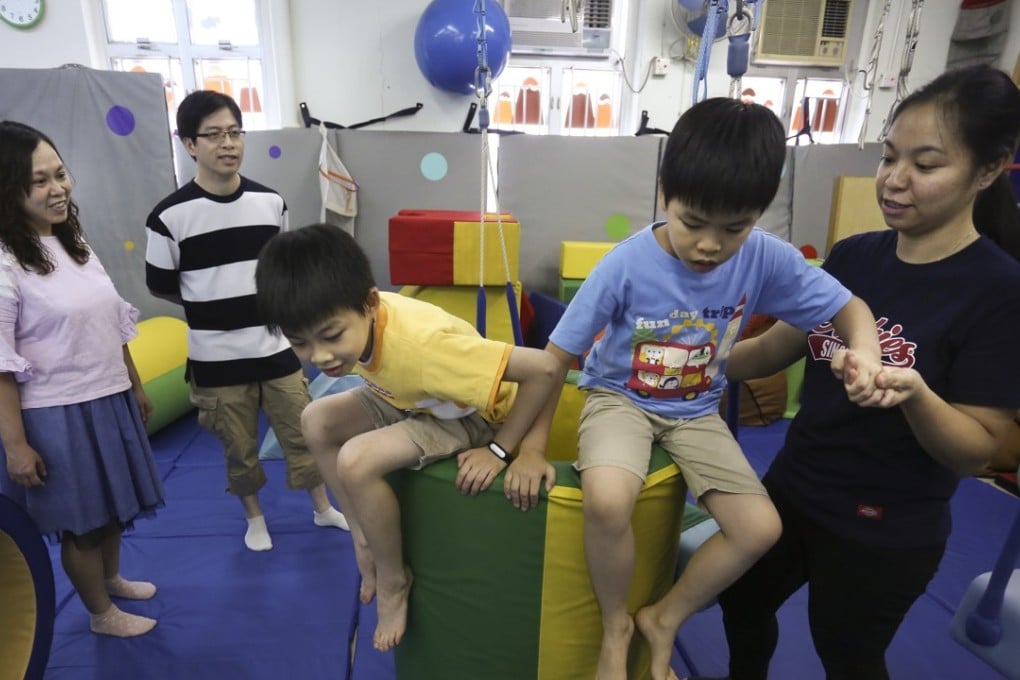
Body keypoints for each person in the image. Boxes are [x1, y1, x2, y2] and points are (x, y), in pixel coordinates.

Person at [529, 97, 885, 680]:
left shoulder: (764, 257)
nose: (710, 246)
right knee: (610, 499)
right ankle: (616, 625)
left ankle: (664, 618)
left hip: (695, 410)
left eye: (734, 228)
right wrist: (533, 446)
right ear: (665, 192)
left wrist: (865, 356)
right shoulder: (626, 265)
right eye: (693, 222)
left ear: (758, 214)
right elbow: (556, 356)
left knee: (760, 529)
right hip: (621, 397)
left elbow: (850, 307)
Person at [716, 64, 1020, 680]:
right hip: (794, 490)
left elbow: (978, 449)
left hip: (883, 526)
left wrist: (913, 394)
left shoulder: (999, 291)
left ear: (987, 172)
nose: (894, 180)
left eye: (925, 165)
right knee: (740, 600)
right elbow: (777, 348)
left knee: (846, 653)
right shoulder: (855, 255)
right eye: (888, 157)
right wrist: (700, 355)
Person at [254, 223, 561, 652]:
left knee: (356, 461)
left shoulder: (422, 348)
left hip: (471, 415)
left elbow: (547, 369)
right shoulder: (357, 322)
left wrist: (504, 448)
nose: (319, 357)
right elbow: (359, 369)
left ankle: (395, 581)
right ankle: (363, 539)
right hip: (411, 398)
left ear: (370, 304)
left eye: (331, 337)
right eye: (299, 342)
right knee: (315, 420)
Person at [145, 91, 346, 552]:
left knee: (306, 430)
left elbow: (283, 272)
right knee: (237, 445)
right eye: (213, 135)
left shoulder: (270, 203)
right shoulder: (168, 217)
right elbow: (161, 284)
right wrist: (213, 301)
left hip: (275, 348)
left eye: (235, 132)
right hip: (215, 358)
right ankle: (254, 517)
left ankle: (322, 507)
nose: (228, 144)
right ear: (189, 144)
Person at [0, 121, 165, 637]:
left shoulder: (72, 244)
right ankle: (100, 613)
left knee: (116, 506)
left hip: (107, 395)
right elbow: (1, 363)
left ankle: (110, 578)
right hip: (57, 412)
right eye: (40, 182)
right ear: (9, 190)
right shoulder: (6, 262)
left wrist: (133, 384)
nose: (58, 189)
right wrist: (16, 445)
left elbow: (112, 322)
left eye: (61, 174)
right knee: (85, 522)